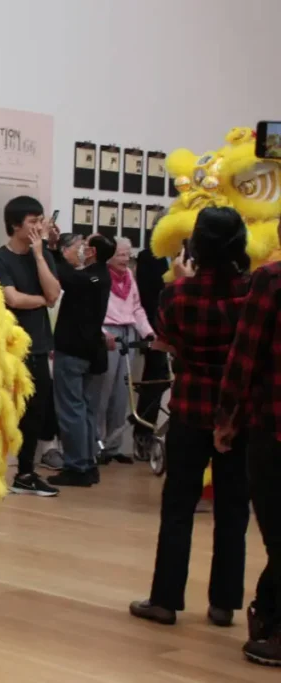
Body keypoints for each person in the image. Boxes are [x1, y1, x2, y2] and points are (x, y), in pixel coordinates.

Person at [130, 207, 252, 634]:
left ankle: (165, 600)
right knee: (233, 510)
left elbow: (166, 343)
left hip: (188, 408)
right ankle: (224, 604)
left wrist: (181, 280)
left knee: (178, 507)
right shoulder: (251, 292)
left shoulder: (176, 294)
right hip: (237, 415)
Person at [214, 226, 281, 668]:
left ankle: (273, 622)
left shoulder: (271, 280)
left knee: (277, 532)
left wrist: (227, 418)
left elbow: (245, 355)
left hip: (273, 426)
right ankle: (267, 613)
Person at [0, 195, 61, 496]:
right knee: (2, 412)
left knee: (36, 411)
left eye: (41, 220)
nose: (39, 226)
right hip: (8, 348)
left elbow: (54, 294)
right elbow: (13, 298)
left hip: (39, 345)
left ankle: (26, 473)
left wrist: (40, 256)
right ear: (15, 225)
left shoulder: (42, 255)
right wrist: (43, 299)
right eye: (33, 221)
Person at [48, 232, 115, 487]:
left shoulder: (93, 277)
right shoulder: (98, 276)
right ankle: (87, 463)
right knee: (84, 410)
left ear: (92, 252)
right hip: (88, 354)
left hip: (74, 352)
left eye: (85, 244)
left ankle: (76, 466)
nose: (81, 247)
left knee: (71, 410)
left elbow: (66, 276)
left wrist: (51, 250)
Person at [92, 238, 155, 464]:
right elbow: (91, 309)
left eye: (128, 255)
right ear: (109, 255)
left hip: (128, 333)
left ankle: (113, 446)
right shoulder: (99, 275)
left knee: (122, 393)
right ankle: (96, 446)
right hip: (107, 334)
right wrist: (101, 332)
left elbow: (137, 308)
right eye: (120, 254)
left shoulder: (129, 276)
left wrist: (148, 332)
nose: (125, 259)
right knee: (102, 392)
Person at [133, 234, 171, 455]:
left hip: (184, 329)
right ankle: (144, 433)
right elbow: (145, 297)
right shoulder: (148, 257)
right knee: (155, 379)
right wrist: (150, 331)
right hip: (155, 329)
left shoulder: (190, 255)